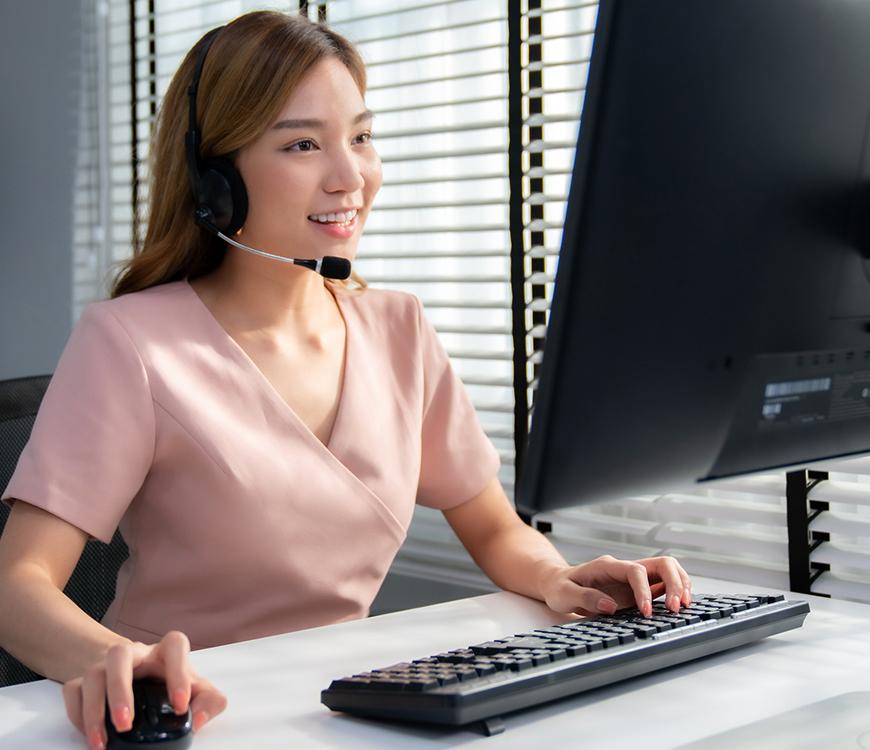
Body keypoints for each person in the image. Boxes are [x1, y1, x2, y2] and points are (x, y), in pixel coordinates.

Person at [0, 11, 692, 750]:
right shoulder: (131, 342)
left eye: (361, 136)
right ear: (214, 178)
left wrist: (564, 580)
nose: (350, 175)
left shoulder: (399, 329)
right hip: (175, 715)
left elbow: (490, 525)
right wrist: (115, 662)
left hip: (343, 712)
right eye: (302, 144)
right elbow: (17, 588)